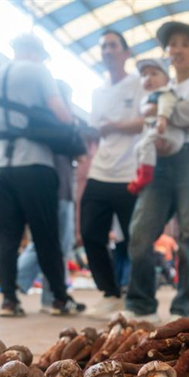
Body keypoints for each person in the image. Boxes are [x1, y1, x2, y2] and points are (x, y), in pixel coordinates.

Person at [0, 34, 83, 316]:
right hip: (36, 163)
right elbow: (62, 115)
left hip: (2, 165)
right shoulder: (39, 71)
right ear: (36, 52)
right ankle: (59, 298)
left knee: (8, 237)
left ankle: (9, 299)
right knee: (46, 235)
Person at [125, 21, 189, 321]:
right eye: (172, 44)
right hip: (161, 162)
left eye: (184, 44)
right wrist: (158, 110)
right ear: (166, 51)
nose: (177, 49)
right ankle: (141, 305)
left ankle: (182, 308)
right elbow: (151, 120)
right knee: (140, 232)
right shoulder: (164, 86)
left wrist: (159, 110)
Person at [81, 30, 145, 318]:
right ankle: (109, 293)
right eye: (103, 46)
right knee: (90, 233)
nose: (107, 50)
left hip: (130, 172)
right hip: (101, 170)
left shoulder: (139, 85)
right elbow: (97, 129)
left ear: (125, 52)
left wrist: (117, 124)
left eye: (113, 45)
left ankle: (140, 297)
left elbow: (146, 121)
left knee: (135, 239)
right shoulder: (98, 91)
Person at [16, 80, 80, 313]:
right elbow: (78, 150)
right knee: (53, 244)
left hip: (60, 190)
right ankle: (29, 284)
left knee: (52, 243)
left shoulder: (47, 122)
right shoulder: (53, 122)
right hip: (57, 190)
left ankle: (49, 295)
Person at [127, 57, 185, 195]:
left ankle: (145, 176)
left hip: (169, 134)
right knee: (138, 148)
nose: (148, 78)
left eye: (154, 74)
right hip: (159, 134)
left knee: (145, 144)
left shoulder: (165, 93)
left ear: (166, 79)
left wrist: (162, 119)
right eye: (144, 75)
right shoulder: (148, 98)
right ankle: (139, 174)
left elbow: (166, 105)